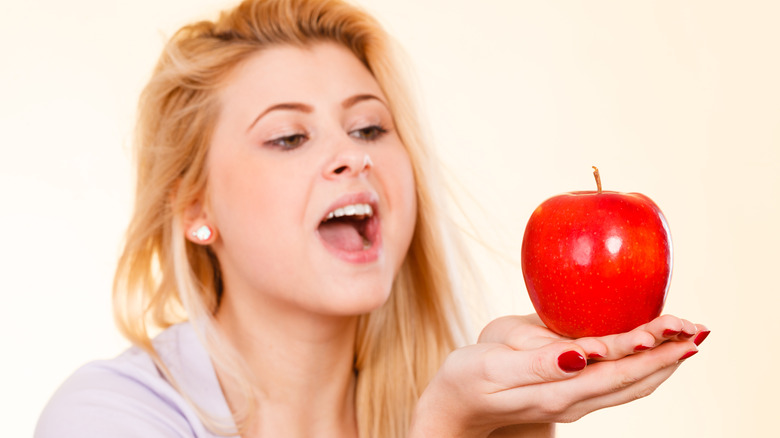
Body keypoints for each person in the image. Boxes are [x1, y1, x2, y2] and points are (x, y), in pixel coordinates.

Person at [35, 0, 708, 437]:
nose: (350, 157)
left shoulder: (450, 395)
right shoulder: (107, 417)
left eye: (368, 127)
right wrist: (447, 426)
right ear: (194, 209)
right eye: (289, 138)